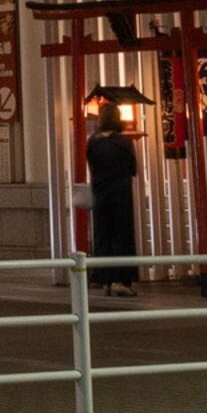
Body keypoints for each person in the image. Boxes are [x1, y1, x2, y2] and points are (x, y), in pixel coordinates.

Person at [85, 99, 142, 298]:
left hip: (99, 194)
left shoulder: (92, 142)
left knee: (102, 236)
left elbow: (91, 165)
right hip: (120, 194)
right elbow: (133, 169)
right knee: (122, 236)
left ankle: (105, 280)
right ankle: (122, 280)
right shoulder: (124, 142)